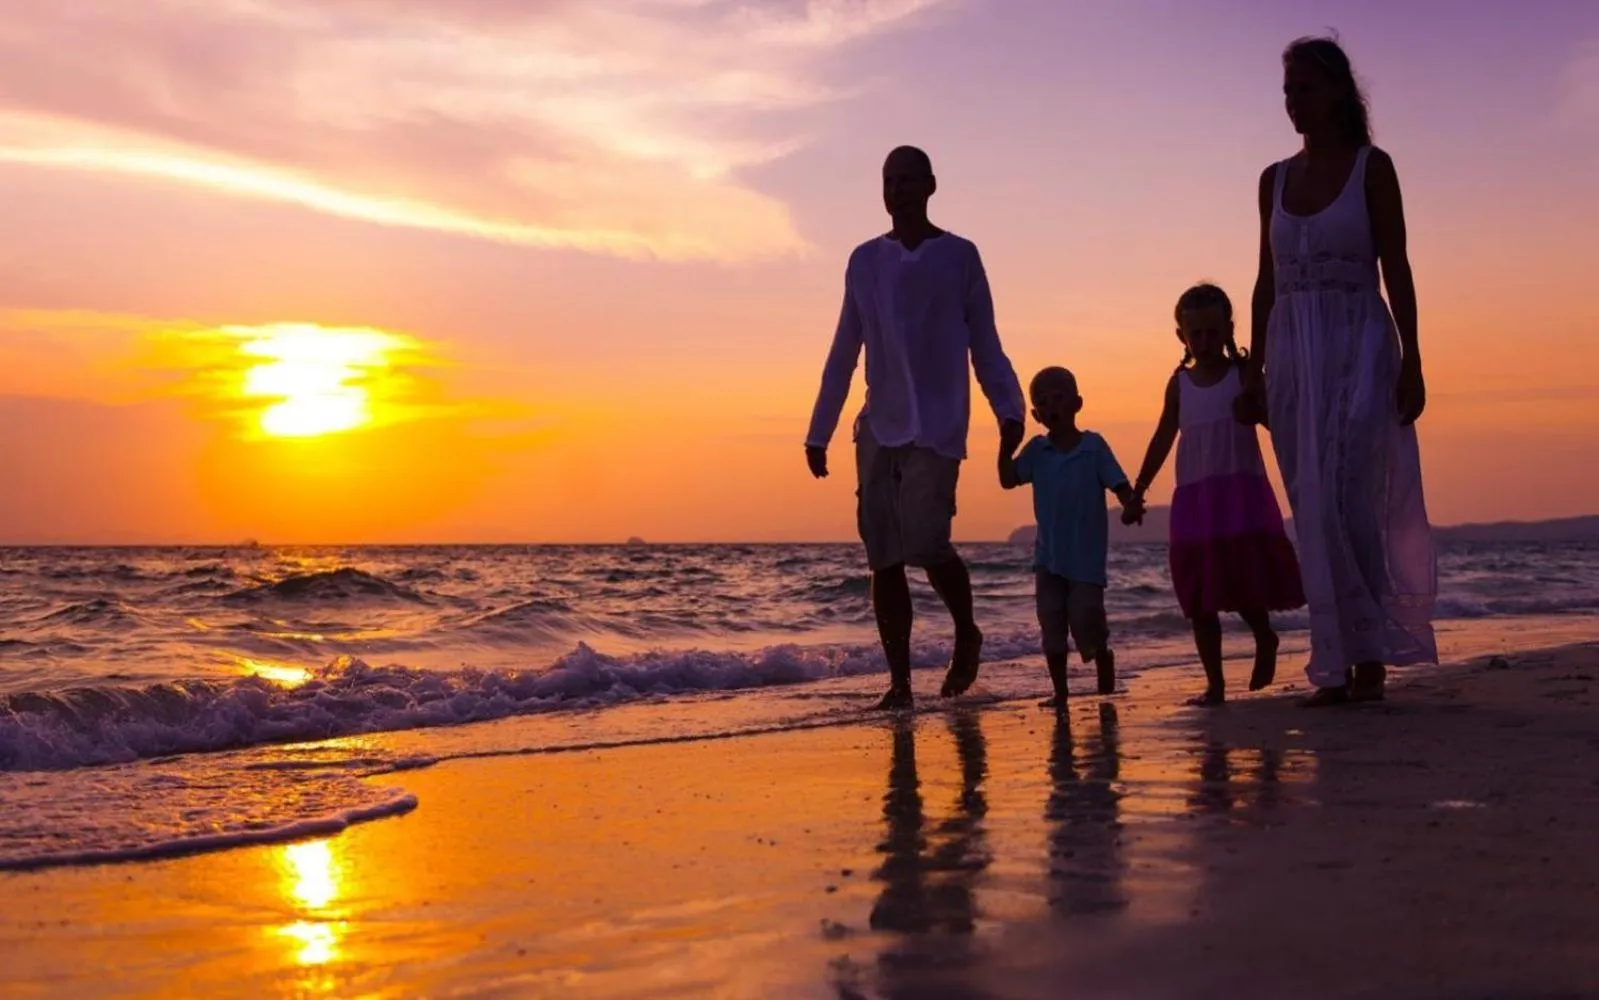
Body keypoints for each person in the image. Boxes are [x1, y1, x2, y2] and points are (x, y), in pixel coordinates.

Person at [1240, 36, 1438, 706]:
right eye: (1286, 89)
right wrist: (1253, 369)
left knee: (1349, 489)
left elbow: (1397, 267)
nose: (1292, 101)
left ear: (1336, 91)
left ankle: (1369, 655)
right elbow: (1264, 281)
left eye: (1303, 87)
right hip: (1292, 350)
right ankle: (1334, 656)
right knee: (1312, 499)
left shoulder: (1369, 168)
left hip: (1358, 339)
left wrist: (1412, 359)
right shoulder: (1272, 179)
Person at [806, 145, 1026, 711]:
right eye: (889, 180)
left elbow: (986, 342)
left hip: (938, 426)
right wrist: (819, 429)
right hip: (878, 426)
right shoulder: (863, 260)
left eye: (908, 180)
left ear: (931, 186)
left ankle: (967, 631)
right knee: (882, 555)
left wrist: (1009, 409)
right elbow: (843, 350)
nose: (898, 190)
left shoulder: (960, 256)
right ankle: (900, 683)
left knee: (928, 544)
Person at [1129, 283, 1306, 706]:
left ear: (1229, 330)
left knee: (1244, 579)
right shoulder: (1179, 384)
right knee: (1198, 593)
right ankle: (1216, 684)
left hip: (1240, 493)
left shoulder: (1243, 376)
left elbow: (1273, 419)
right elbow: (1163, 435)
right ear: (1182, 337)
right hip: (1194, 498)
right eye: (1196, 335)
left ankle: (1264, 636)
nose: (1205, 343)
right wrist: (1138, 488)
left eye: (1213, 333)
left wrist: (1258, 411)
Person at [999, 367, 1142, 709]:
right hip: (1048, 558)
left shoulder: (1093, 447)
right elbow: (1008, 479)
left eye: (1059, 399)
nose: (1052, 407)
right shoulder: (1036, 451)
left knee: (1085, 620)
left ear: (1077, 403)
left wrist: (1130, 503)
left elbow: (1118, 482)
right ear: (1035, 414)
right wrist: (1005, 447)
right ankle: (1060, 692)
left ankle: (1101, 655)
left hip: (1086, 559)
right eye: (1043, 402)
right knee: (1051, 626)